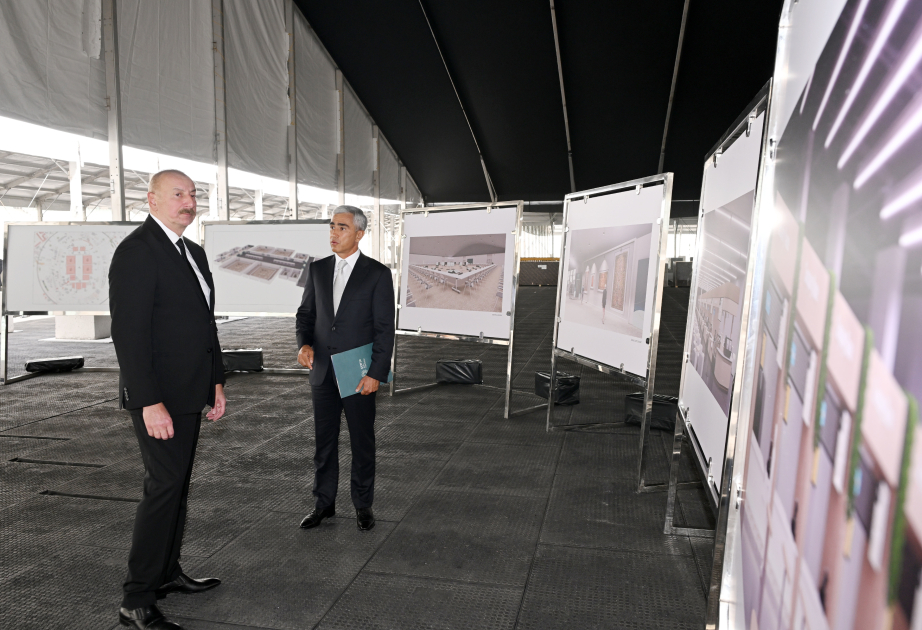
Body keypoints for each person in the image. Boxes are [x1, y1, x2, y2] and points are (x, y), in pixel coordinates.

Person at [109, 169, 227, 630]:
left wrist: (215, 382)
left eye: (193, 194)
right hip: (158, 397)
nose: (188, 202)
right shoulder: (138, 251)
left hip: (190, 391)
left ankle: (166, 573)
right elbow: (129, 333)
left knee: (176, 487)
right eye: (177, 194)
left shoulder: (192, 252)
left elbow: (205, 325)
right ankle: (136, 599)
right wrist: (147, 401)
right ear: (152, 200)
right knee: (162, 489)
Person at [295, 205, 395, 532]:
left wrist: (376, 374)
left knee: (361, 442)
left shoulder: (377, 274)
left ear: (360, 234)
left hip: (358, 373)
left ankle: (363, 505)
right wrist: (304, 344)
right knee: (324, 443)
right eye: (332, 227)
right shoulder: (316, 269)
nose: (334, 234)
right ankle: (323, 504)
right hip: (322, 371)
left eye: (342, 228)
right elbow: (306, 315)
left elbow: (384, 329)